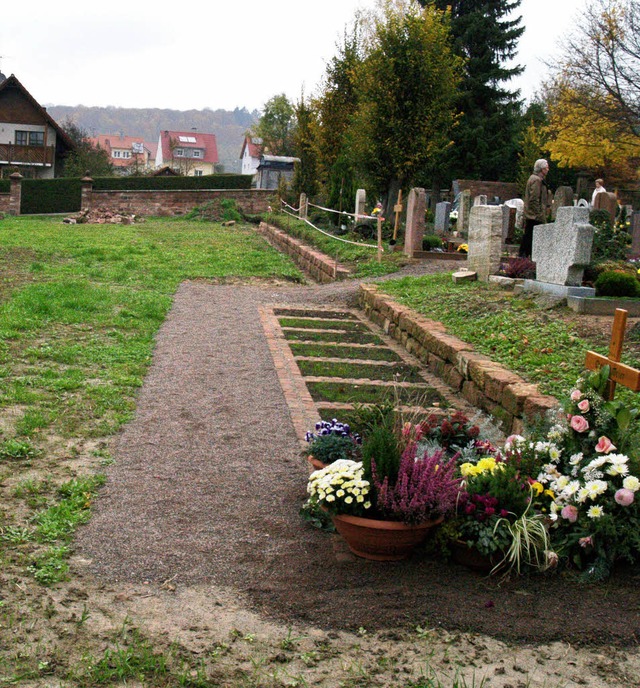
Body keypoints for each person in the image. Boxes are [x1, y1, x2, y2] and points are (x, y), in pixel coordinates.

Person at [519, 158, 549, 258]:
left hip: (532, 214)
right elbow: (534, 199)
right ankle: (525, 256)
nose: (548, 169)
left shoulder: (534, 179)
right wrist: (539, 214)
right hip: (534, 215)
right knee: (530, 236)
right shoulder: (536, 180)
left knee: (529, 235)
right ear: (542, 169)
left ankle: (524, 256)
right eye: (546, 167)